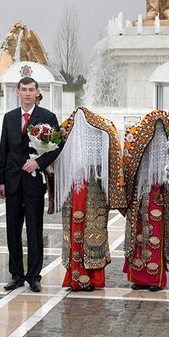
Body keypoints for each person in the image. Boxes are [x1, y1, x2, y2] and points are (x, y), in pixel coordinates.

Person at [52, 107, 126, 291]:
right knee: (74, 228)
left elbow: (113, 161)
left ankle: (93, 278)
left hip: (93, 189)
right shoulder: (67, 132)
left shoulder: (102, 132)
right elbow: (53, 158)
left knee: (94, 229)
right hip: (75, 189)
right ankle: (76, 276)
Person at [0, 77, 60, 293]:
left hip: (34, 181)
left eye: (30, 90)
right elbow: (3, 149)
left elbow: (56, 147)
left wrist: (38, 163)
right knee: (13, 230)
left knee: (34, 229)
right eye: (23, 89)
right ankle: (16, 274)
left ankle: (34, 275)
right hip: (13, 181)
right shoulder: (9, 118)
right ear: (17, 92)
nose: (27, 93)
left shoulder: (48, 117)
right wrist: (1, 180)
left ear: (37, 92)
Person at [122, 110, 169, 291]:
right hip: (141, 193)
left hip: (159, 192)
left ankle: (155, 280)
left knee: (156, 236)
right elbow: (129, 166)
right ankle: (138, 278)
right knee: (138, 234)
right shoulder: (137, 140)